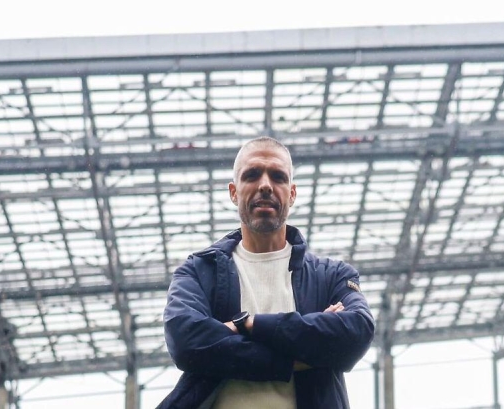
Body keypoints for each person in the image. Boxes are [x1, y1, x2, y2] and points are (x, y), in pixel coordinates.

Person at [160, 137, 375, 408]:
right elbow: (186, 343)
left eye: (278, 176)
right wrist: (293, 360)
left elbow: (357, 331)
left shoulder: (332, 276)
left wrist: (249, 325)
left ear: (292, 194)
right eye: (251, 175)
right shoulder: (198, 272)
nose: (265, 185)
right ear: (234, 192)